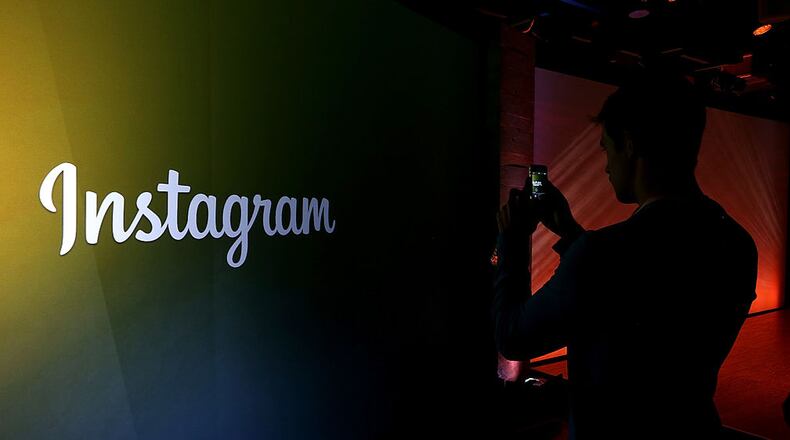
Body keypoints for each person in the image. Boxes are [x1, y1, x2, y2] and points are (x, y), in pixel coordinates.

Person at [492, 69, 757, 439]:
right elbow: (631, 292)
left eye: (606, 147)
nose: (605, 165)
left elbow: (513, 338)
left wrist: (514, 241)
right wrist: (571, 233)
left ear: (630, 145)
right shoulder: (737, 242)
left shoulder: (604, 256)